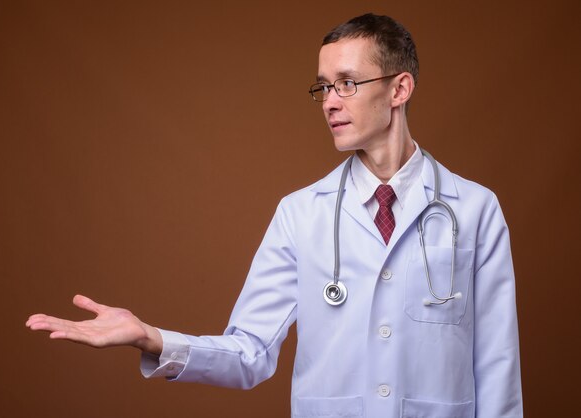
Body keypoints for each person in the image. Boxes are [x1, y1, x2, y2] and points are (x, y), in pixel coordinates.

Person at [26, 13, 523, 417]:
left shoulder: (474, 210)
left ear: (399, 89)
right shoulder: (299, 214)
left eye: (347, 83)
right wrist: (151, 337)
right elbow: (249, 354)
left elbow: (497, 367)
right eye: (323, 86)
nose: (330, 102)